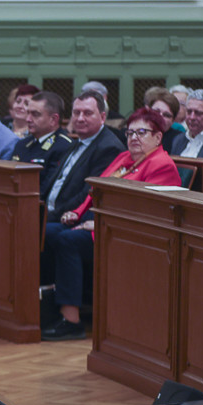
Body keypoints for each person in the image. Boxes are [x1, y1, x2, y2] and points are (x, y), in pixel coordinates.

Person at [42, 107, 180, 340]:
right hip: (96, 220)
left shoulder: (161, 165)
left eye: (141, 133)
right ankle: (46, 305)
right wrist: (76, 212)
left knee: (68, 240)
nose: (134, 138)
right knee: (47, 232)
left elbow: (147, 212)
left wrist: (99, 224)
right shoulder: (124, 158)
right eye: (130, 133)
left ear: (158, 137)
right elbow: (95, 189)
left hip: (125, 231)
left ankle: (71, 320)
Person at [41, 90, 125, 225]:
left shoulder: (108, 148)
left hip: (70, 219)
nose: (80, 118)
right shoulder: (76, 142)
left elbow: (86, 195)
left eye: (87, 113)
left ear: (102, 117)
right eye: (76, 113)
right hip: (47, 213)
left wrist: (46, 218)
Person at [10, 90, 73, 194]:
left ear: (53, 119)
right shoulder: (22, 144)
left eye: (35, 114)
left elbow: (48, 190)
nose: (28, 119)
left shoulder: (64, 146)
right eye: (28, 113)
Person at [144, 86, 182, 152]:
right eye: (156, 111)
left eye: (166, 115)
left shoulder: (178, 140)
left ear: (173, 120)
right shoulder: (134, 133)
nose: (160, 117)